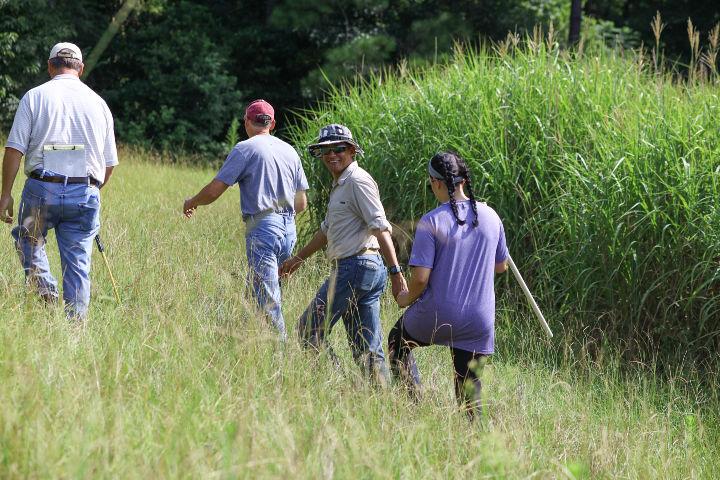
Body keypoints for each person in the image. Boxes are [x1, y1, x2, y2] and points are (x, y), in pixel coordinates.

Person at [279, 124, 407, 385]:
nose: (331, 155)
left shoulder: (358, 181)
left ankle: (340, 386)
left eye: (338, 148)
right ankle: (379, 399)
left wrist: (396, 274)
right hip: (361, 269)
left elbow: (381, 228)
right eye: (326, 150)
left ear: (351, 150)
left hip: (356, 266)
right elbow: (326, 231)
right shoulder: (341, 185)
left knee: (308, 330)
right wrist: (297, 260)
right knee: (366, 346)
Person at [0, 42, 119, 320]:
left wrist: (5, 193)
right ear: (81, 68)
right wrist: (90, 189)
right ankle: (75, 328)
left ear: (50, 66)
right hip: (85, 192)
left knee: (28, 240)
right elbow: (110, 164)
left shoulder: (34, 97)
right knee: (78, 264)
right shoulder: (99, 103)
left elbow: (14, 149)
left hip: (41, 191)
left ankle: (46, 293)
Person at [390, 151, 508, 420]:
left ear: (437, 183)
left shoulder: (431, 221)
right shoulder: (491, 216)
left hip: (437, 315)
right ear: (464, 181)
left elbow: (420, 279)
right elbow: (501, 266)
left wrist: (405, 299)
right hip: (479, 319)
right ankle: (474, 441)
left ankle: (413, 406)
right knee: (470, 394)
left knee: (397, 343)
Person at [183, 99, 308, 340]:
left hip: (263, 227)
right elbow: (301, 203)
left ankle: (279, 355)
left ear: (247, 122)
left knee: (268, 300)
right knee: (261, 291)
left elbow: (215, 190)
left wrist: (192, 202)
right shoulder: (290, 151)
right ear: (273, 123)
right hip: (289, 231)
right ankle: (248, 340)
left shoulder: (245, 148)